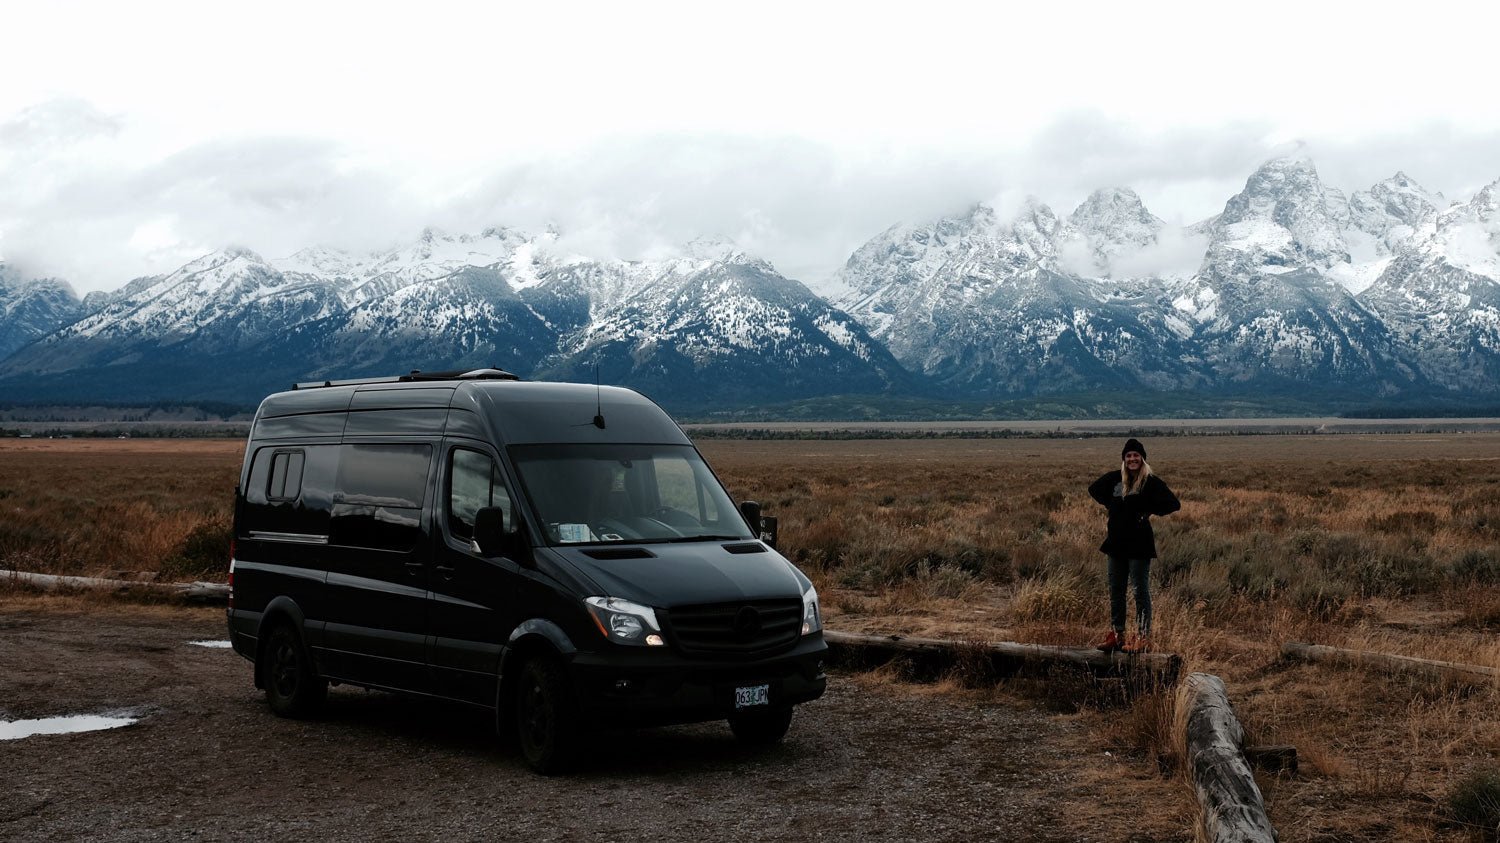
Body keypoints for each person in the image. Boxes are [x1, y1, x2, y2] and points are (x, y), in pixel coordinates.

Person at [1087, 438, 1180, 653]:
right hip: (1115, 543)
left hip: (1139, 544)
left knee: (1140, 590)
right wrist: (1111, 504)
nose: (1132, 459)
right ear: (1124, 459)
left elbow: (1173, 504)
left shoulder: (1150, 482)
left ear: (1142, 458)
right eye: (1128, 456)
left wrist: (1148, 510)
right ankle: (1117, 635)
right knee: (1116, 590)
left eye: (1136, 455)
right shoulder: (1114, 479)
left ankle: (1142, 636)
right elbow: (1094, 489)